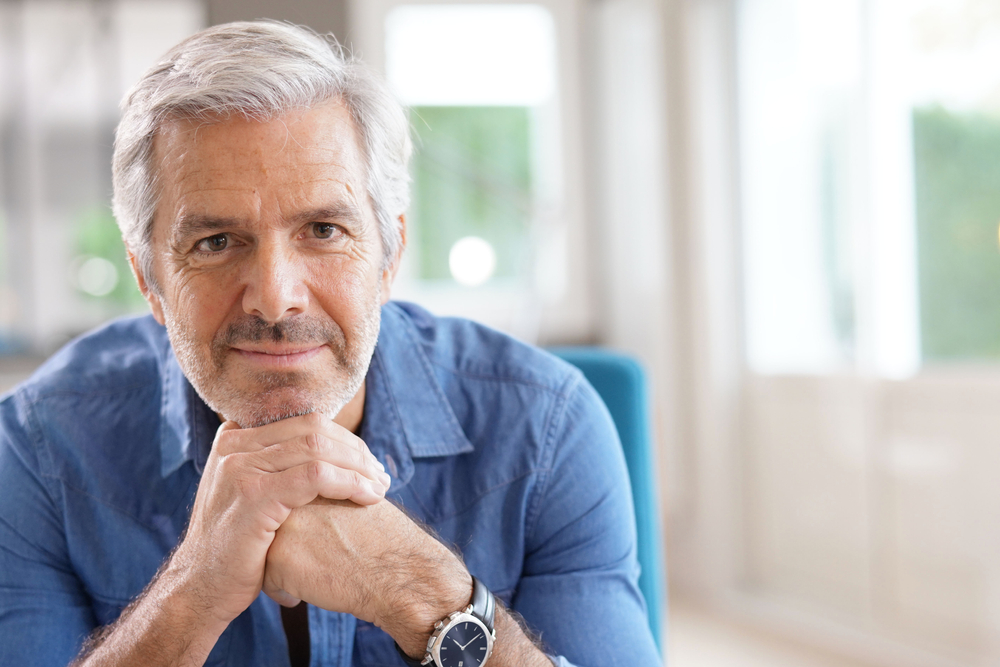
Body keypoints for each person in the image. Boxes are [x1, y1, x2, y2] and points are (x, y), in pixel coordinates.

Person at [0, 20, 660, 667]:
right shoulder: (39, 448)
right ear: (149, 278)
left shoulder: (548, 427)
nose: (275, 295)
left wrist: (425, 593)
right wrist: (192, 591)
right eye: (216, 242)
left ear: (389, 251)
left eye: (322, 228)